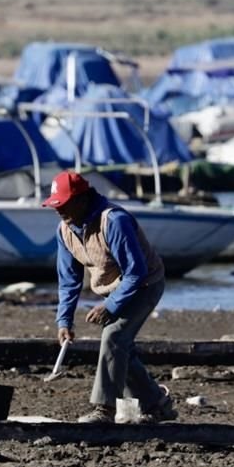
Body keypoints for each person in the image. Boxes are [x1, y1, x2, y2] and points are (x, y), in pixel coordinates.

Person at [43, 171, 178, 424]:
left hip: (145, 283)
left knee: (114, 336)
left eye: (63, 204)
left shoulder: (114, 221)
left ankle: (104, 409)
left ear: (82, 199)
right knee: (120, 347)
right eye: (55, 205)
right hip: (115, 287)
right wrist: (64, 321)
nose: (58, 210)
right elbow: (69, 280)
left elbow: (135, 272)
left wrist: (110, 305)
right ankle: (156, 404)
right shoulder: (65, 230)